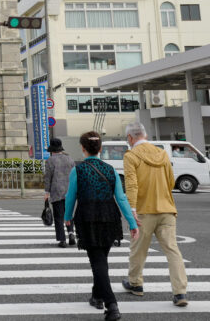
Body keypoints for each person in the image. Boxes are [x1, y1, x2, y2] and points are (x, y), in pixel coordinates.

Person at [65, 131, 138, 321]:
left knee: (97, 261)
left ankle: (111, 305)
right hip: (109, 216)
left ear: (82, 148)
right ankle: (97, 296)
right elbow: (121, 198)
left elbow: (71, 197)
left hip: (88, 217)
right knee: (101, 259)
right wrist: (131, 222)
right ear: (100, 149)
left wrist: (67, 217)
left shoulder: (78, 170)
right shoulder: (110, 170)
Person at [122, 121, 189, 307]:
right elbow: (171, 181)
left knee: (138, 249)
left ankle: (135, 283)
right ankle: (180, 292)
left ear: (130, 137)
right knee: (172, 250)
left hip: (144, 211)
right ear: (145, 135)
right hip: (166, 209)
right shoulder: (162, 154)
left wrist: (132, 210)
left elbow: (132, 184)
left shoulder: (131, 156)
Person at [44, 137, 76, 247]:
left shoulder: (50, 161)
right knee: (69, 213)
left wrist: (47, 192)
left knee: (58, 216)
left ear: (52, 150)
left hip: (56, 191)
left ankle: (62, 240)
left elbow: (48, 178)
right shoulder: (70, 159)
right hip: (70, 190)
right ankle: (71, 233)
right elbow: (74, 175)